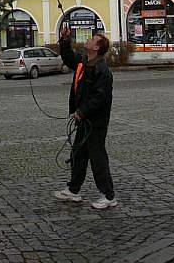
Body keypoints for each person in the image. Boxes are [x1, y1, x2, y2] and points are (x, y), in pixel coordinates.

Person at [54, 26, 117, 210]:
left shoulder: (102, 70)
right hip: (84, 121)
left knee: (98, 159)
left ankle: (108, 195)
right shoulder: (83, 62)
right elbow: (68, 58)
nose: (87, 41)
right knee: (78, 155)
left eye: (92, 40)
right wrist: (65, 41)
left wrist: (82, 112)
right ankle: (73, 190)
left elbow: (100, 97)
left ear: (97, 48)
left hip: (95, 123)